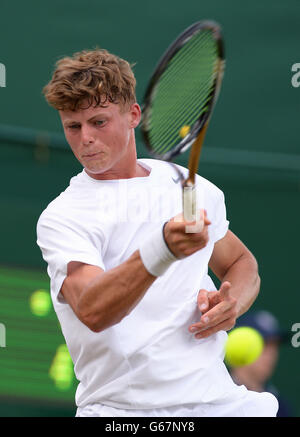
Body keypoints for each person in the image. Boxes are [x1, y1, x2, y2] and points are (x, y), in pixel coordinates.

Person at [36, 48, 279, 417]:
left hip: (220, 404)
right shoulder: (64, 217)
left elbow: (242, 263)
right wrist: (161, 249)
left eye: (98, 122)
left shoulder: (188, 187)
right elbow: (92, 309)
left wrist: (233, 304)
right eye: (73, 126)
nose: (85, 138)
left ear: (133, 115)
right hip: (124, 413)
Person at [228, 310, 294, 417]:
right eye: (263, 344)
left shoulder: (281, 407)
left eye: (274, 346)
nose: (271, 354)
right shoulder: (215, 398)